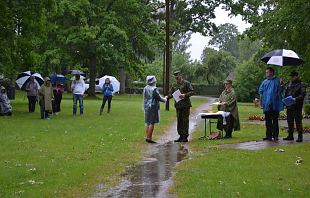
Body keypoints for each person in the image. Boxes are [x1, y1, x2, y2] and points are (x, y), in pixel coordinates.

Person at [167, 71, 194, 142]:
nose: (177, 78)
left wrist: (185, 95)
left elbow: (192, 92)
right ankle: (180, 136)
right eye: (175, 77)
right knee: (179, 121)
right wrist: (167, 97)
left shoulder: (186, 83)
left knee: (185, 121)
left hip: (185, 105)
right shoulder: (174, 85)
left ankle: (185, 137)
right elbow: (171, 93)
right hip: (178, 105)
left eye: (178, 76)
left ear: (181, 76)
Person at [258, 67, 283, 142]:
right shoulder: (265, 81)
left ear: (271, 72)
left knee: (275, 121)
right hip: (266, 104)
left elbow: (280, 91)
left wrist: (281, 85)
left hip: (275, 104)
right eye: (266, 72)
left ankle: (275, 136)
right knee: (268, 121)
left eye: (267, 72)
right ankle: (268, 136)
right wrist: (261, 100)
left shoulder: (277, 81)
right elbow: (260, 90)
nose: (266, 74)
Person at [283, 71, 306, 142]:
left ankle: (300, 136)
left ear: (296, 76)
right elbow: (286, 94)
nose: (291, 78)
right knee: (289, 121)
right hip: (289, 106)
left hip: (297, 106)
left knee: (298, 121)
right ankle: (290, 135)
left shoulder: (301, 84)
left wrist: (295, 99)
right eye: (291, 76)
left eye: (292, 76)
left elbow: (302, 95)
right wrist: (285, 101)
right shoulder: (289, 84)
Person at [143, 76, 167, 143]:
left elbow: (145, 98)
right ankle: (149, 138)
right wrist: (165, 99)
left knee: (147, 122)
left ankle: (148, 136)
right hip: (153, 107)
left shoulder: (145, 88)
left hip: (146, 106)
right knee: (152, 122)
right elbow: (158, 97)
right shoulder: (154, 89)